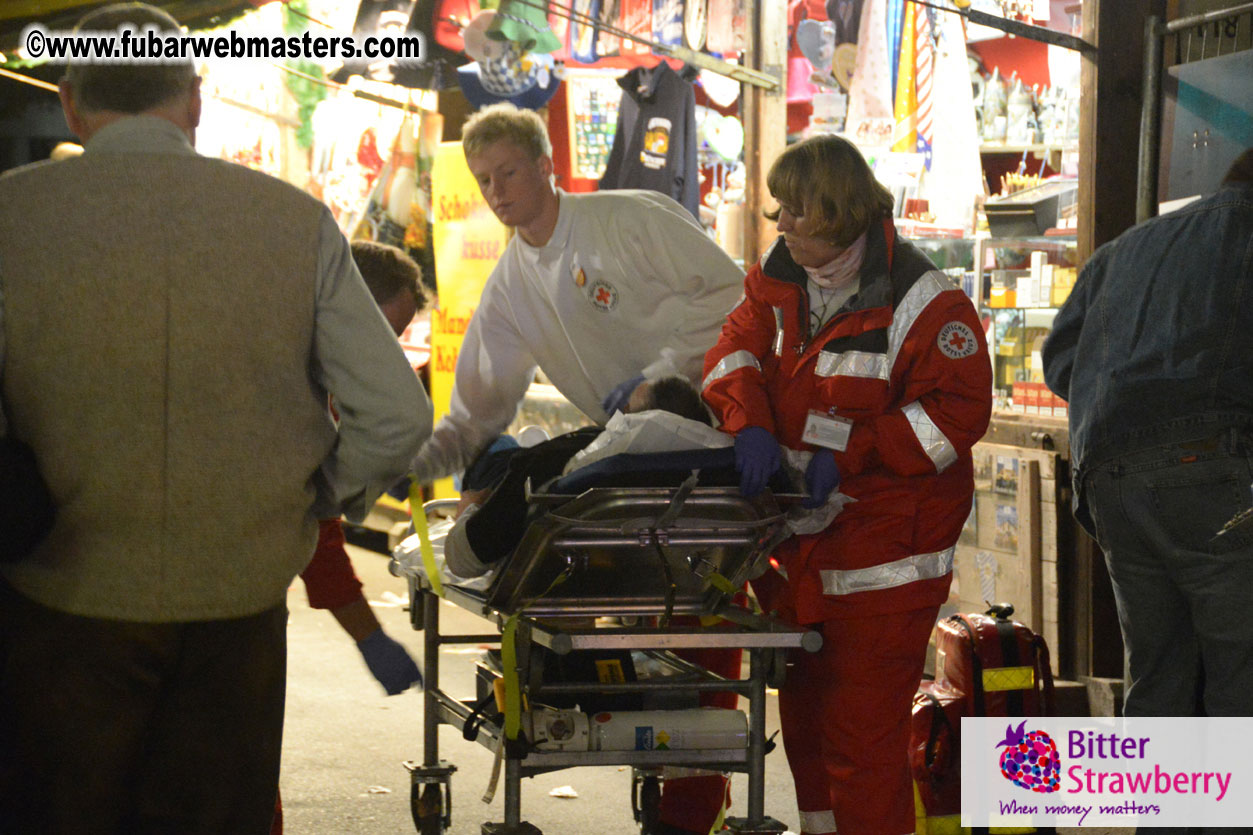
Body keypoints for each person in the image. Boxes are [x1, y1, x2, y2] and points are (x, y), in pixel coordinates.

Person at [0, 5, 432, 833]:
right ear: (194, 100)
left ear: (69, 103)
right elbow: (395, 412)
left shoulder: (13, 215)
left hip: (60, 599)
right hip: (235, 603)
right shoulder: (292, 220)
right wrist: (312, 498)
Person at [409, 102, 746, 835]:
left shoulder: (627, 219)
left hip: (708, 421)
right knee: (545, 484)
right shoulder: (510, 282)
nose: (496, 192)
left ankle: (695, 804)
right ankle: (679, 802)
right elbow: (477, 400)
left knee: (702, 628)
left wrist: (661, 375)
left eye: (507, 173)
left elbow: (729, 291)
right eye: (483, 179)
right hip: (626, 447)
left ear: (543, 165)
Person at [701, 134, 992, 835]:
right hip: (803, 545)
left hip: (885, 559)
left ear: (834, 211)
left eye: (793, 209)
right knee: (805, 732)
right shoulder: (777, 282)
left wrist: (855, 450)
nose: (779, 222)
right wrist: (749, 423)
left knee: (861, 742)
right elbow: (730, 352)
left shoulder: (925, 304)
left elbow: (954, 414)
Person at [1042, 148, 1253, 725]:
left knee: (1158, 674)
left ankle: (1162, 814)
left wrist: (1130, 400)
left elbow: (1061, 361)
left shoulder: (1128, 247)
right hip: (1215, 471)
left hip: (1109, 478)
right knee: (1241, 675)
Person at [299, 241, 429, 697]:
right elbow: (312, 529)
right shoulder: (292, 387)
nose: (387, 359)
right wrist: (370, 638)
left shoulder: (311, 371)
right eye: (383, 337)